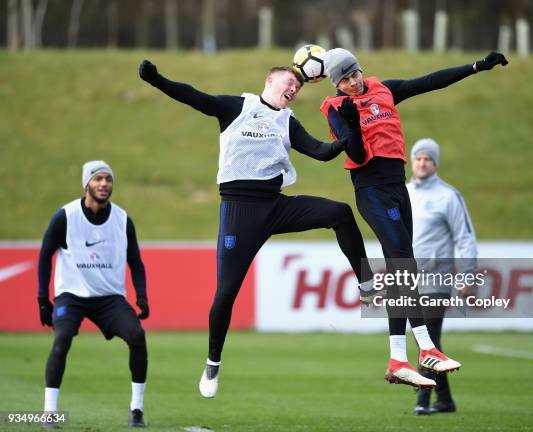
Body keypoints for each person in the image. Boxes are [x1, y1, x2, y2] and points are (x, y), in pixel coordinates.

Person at [139, 60, 375, 398]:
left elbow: (320, 152)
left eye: (298, 88)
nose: (293, 90)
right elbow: (193, 97)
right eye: (289, 84)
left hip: (276, 206)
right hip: (239, 211)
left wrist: (345, 138)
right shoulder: (238, 106)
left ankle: (366, 284)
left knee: (339, 212)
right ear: (269, 81)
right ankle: (213, 362)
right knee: (226, 292)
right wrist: (157, 79)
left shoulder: (287, 121)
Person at [319, 48, 507, 387]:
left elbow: (430, 81)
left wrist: (476, 66)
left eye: (355, 73)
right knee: (405, 261)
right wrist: (350, 123)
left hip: (397, 188)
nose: (353, 82)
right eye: (344, 79)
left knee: (400, 267)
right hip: (371, 190)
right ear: (337, 83)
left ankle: (396, 360)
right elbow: (358, 154)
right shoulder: (336, 110)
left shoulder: (384, 90)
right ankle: (426, 348)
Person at [38, 161, 149, 428]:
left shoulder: (123, 220)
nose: (104, 184)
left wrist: (142, 295)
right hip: (71, 296)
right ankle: (49, 412)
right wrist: (43, 299)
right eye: (98, 179)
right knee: (62, 338)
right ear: (86, 184)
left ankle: (136, 409)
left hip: (109, 298)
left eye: (108, 179)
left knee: (137, 336)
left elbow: (136, 261)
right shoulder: (66, 216)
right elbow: (44, 256)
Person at [407, 138, 478, 415]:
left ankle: (423, 401)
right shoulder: (403, 193)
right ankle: (445, 400)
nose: (422, 163)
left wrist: (467, 276)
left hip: (438, 279)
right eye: (418, 158)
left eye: (428, 159)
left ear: (435, 163)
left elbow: (465, 238)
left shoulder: (448, 196)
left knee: (428, 338)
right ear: (412, 162)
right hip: (409, 279)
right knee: (424, 339)